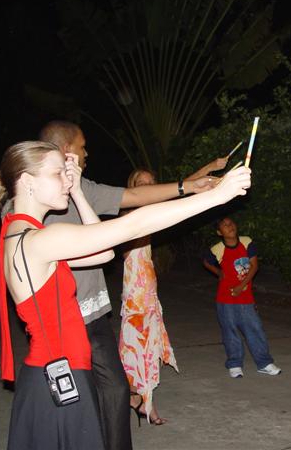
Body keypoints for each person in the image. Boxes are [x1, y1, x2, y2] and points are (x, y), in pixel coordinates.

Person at [0, 141, 251, 449]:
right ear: (28, 182)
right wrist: (216, 196)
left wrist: (78, 193)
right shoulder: (41, 240)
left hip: (53, 373)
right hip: (61, 376)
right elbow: (134, 224)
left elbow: (103, 254)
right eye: (58, 173)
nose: (67, 180)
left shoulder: (19, 233)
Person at [37, 120, 228, 449]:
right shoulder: (39, 200)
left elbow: (144, 198)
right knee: (75, 400)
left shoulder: (86, 189)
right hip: (65, 316)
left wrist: (199, 183)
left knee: (116, 388)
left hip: (100, 312)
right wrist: (202, 188)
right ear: (67, 151)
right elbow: (132, 217)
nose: (87, 153)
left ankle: (136, 409)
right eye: (82, 146)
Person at [118, 169, 176, 426]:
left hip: (149, 291)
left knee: (148, 349)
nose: (149, 186)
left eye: (152, 183)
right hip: (135, 294)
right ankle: (139, 400)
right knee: (136, 348)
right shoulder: (129, 216)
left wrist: (207, 173)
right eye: (142, 183)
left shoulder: (150, 212)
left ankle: (140, 400)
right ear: (132, 187)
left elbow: (181, 192)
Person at [202, 216, 281, 378]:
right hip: (225, 298)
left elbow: (254, 266)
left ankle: (264, 363)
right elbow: (206, 262)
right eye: (224, 225)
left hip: (245, 297)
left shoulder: (247, 242)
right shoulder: (217, 249)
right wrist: (219, 273)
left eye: (231, 223)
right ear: (219, 232)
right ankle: (235, 364)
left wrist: (241, 286)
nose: (229, 226)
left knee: (255, 328)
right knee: (230, 330)